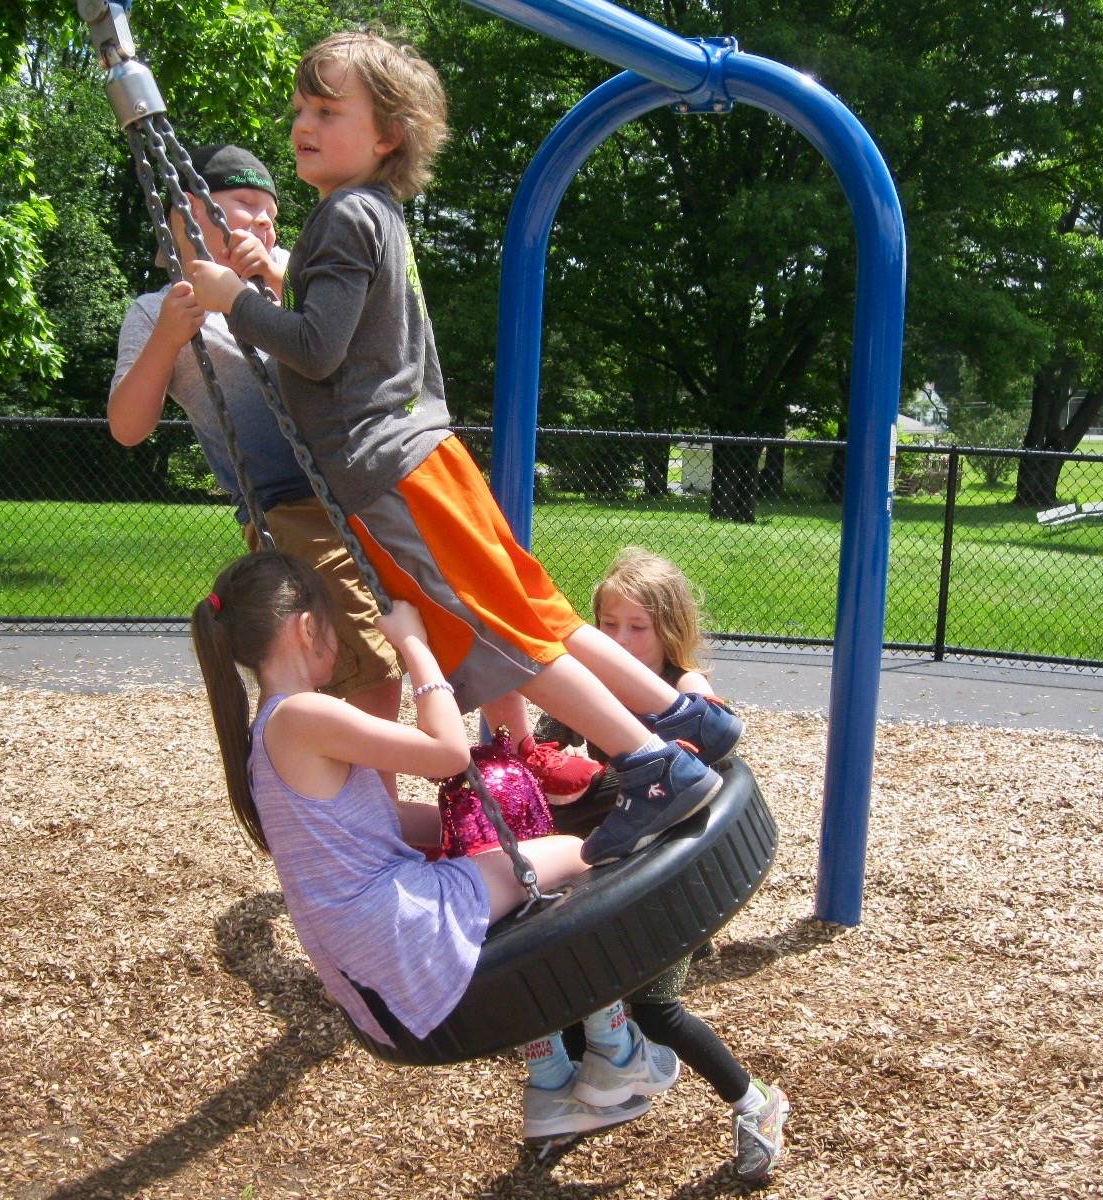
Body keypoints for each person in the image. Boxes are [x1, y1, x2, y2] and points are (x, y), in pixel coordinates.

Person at [186, 30, 742, 867]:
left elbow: (317, 348)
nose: (304, 121)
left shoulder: (341, 217)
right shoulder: (377, 214)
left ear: (387, 136)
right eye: (302, 107)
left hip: (388, 470)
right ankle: (681, 721)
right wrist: (272, 279)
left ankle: (650, 765)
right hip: (429, 457)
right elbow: (350, 329)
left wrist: (234, 300)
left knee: (499, 639)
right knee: (532, 612)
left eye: (329, 110)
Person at [107, 140, 597, 807]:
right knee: (365, 651)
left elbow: (342, 344)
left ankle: (513, 751)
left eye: (273, 216)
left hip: (372, 475)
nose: (264, 227)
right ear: (189, 215)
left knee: (459, 600)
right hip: (289, 504)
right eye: (246, 209)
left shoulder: (288, 277)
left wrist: (279, 282)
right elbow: (127, 427)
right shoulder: (157, 310)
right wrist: (170, 336)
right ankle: (382, 811)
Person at [193, 550, 681, 1142]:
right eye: (337, 629)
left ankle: (552, 1088)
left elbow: (380, 818)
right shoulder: (304, 714)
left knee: (529, 863)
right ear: (304, 628)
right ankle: (615, 1049)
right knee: (577, 855)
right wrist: (415, 647)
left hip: (364, 947)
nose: (344, 645)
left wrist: (472, 828)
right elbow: (448, 753)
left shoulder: (267, 732)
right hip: (394, 928)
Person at [538, 547, 792, 1183]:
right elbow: (545, 759)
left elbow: (709, 747)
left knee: (652, 1007)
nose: (620, 640)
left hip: (665, 880)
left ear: (669, 631)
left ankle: (756, 1102)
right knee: (567, 994)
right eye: (608, 624)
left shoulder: (682, 693)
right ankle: (577, 1104)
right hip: (601, 869)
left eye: (637, 627)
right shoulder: (579, 692)